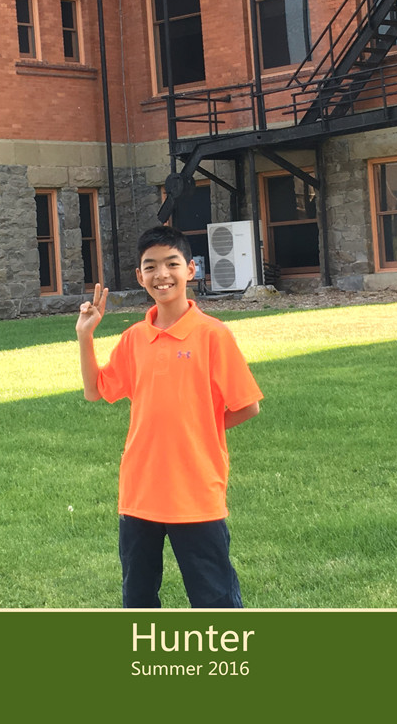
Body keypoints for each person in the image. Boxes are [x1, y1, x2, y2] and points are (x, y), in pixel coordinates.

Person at [76, 224, 263, 609]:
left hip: (195, 490)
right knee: (138, 597)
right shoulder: (134, 338)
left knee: (214, 597)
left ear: (191, 269)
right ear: (139, 276)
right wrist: (85, 336)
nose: (161, 274)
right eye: (151, 266)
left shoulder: (212, 335)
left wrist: (199, 427)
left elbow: (247, 405)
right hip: (139, 492)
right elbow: (95, 391)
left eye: (172, 264)